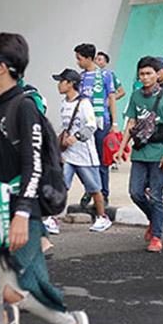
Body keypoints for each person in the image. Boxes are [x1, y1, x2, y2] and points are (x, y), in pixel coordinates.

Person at [0, 33, 91, 324]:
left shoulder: (24, 106)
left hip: (21, 207)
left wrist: (21, 214)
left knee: (13, 287)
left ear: (2, 67)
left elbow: (32, 165)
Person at [114, 57, 163, 252]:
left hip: (158, 153)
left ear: (158, 74)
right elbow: (130, 123)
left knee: (156, 196)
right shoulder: (135, 96)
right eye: (142, 74)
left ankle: (157, 236)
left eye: (149, 73)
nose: (145, 77)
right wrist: (122, 147)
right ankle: (154, 220)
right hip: (139, 152)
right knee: (136, 193)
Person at [54, 68, 112, 232]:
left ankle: (102, 217)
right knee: (62, 186)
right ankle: (53, 218)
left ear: (70, 83)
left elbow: (92, 125)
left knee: (94, 188)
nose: (59, 85)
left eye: (61, 81)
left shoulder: (84, 103)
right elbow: (64, 127)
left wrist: (77, 137)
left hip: (85, 155)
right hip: (68, 155)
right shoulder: (64, 103)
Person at [75, 43, 118, 204]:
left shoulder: (106, 75)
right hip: (86, 124)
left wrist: (114, 123)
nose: (77, 62)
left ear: (88, 58)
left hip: (102, 123)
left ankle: (104, 194)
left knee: (102, 161)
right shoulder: (80, 77)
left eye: (79, 59)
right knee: (86, 160)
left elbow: (112, 97)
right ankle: (90, 190)